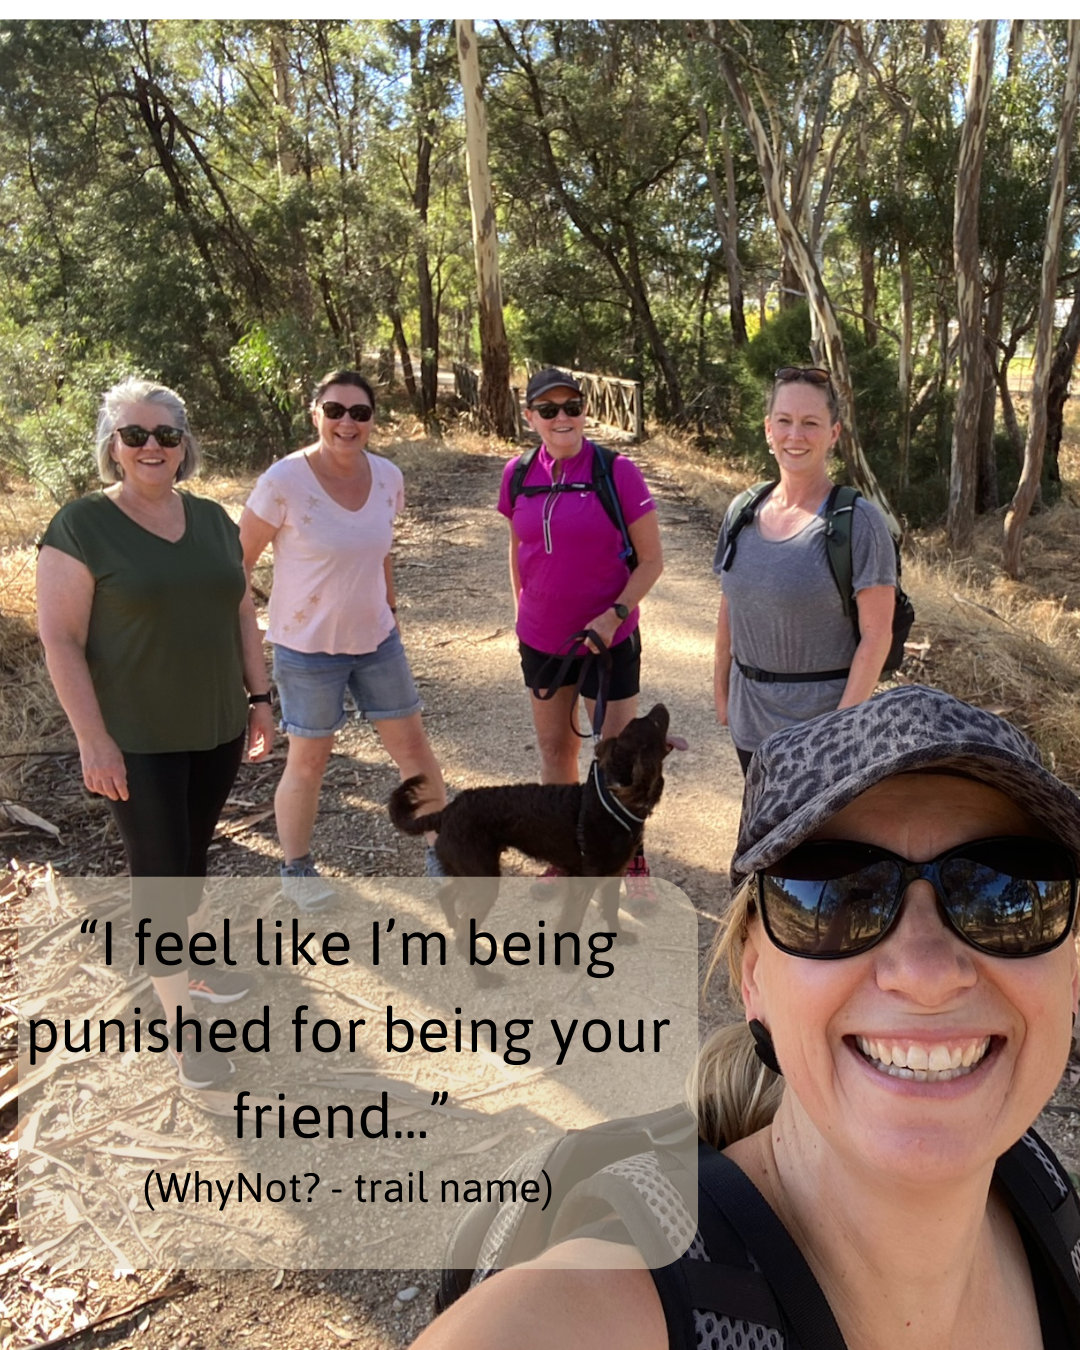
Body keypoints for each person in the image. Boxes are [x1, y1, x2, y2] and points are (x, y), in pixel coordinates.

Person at [409, 684, 1080, 1348]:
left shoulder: (1048, 1203)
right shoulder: (611, 1305)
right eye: (833, 896)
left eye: (1009, 892)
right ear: (751, 975)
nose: (928, 974)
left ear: (1072, 972)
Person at [36, 377, 274, 1089]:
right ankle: (182, 1033)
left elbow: (239, 615)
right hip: (135, 738)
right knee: (160, 879)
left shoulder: (210, 521)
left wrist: (260, 700)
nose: (150, 447)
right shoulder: (80, 526)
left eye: (165, 435)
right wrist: (93, 739)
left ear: (184, 445)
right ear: (113, 446)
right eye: (134, 435)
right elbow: (60, 641)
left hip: (216, 727)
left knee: (189, 862)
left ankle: (195, 966)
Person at [239, 369, 446, 909]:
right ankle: (297, 866)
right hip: (306, 649)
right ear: (316, 415)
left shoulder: (388, 477)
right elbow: (238, 561)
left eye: (359, 412)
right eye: (335, 411)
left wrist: (393, 610)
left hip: (376, 640)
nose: (347, 422)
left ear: (373, 420)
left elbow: (381, 551)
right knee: (308, 760)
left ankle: (441, 850)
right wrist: (243, 637)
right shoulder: (283, 481)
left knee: (413, 749)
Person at [498, 368, 664, 885]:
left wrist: (614, 616)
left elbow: (652, 561)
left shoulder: (617, 472)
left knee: (618, 759)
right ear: (531, 418)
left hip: (610, 638)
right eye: (548, 410)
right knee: (555, 752)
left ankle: (627, 851)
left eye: (572, 406)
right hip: (544, 642)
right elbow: (518, 549)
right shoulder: (518, 473)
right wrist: (522, 610)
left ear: (584, 411)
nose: (562, 418)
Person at [713, 366, 896, 773]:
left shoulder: (858, 522)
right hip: (750, 725)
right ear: (768, 429)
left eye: (810, 423)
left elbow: (876, 635)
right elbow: (731, 605)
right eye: (785, 421)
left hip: (822, 737)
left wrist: (838, 731)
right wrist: (721, 689)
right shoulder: (741, 512)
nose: (795, 435)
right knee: (763, 834)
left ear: (834, 433)